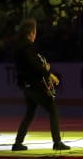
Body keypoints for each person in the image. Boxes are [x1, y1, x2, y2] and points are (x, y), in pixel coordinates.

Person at [12, 18, 70, 151]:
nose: (35, 34)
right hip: (33, 84)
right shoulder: (27, 47)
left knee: (30, 113)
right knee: (52, 109)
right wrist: (49, 73)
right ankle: (57, 142)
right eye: (35, 31)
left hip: (26, 85)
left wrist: (43, 66)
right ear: (31, 33)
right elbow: (34, 66)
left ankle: (18, 143)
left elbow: (32, 64)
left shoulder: (20, 46)